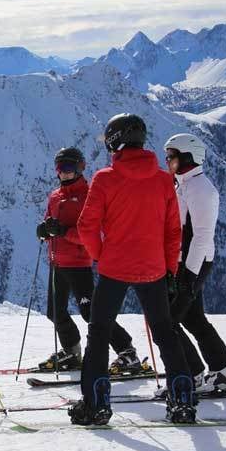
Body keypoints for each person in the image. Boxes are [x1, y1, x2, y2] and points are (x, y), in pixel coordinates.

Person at [70, 113, 196, 425]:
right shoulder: (164, 180)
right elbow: (173, 232)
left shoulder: (105, 179)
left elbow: (87, 226)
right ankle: (182, 400)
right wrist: (169, 269)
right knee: (165, 332)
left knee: (99, 333)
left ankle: (96, 403)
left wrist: (102, 255)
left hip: (114, 268)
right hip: (153, 269)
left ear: (115, 141)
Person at [35, 147, 141, 373]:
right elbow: (49, 223)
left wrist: (63, 231)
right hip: (57, 263)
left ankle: (127, 351)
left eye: (68, 167)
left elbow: (90, 234)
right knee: (55, 312)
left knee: (91, 313)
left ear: (79, 168)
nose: (63, 172)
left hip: (78, 265)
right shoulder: (55, 196)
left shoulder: (88, 196)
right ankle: (72, 352)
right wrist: (44, 231)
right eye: (59, 168)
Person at [161, 133, 226, 393]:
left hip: (194, 263)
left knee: (168, 321)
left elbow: (202, 236)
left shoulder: (201, 189)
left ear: (188, 157)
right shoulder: (183, 185)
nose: (168, 160)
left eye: (172, 156)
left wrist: (189, 276)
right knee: (193, 319)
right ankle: (222, 371)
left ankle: (190, 374)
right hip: (184, 264)